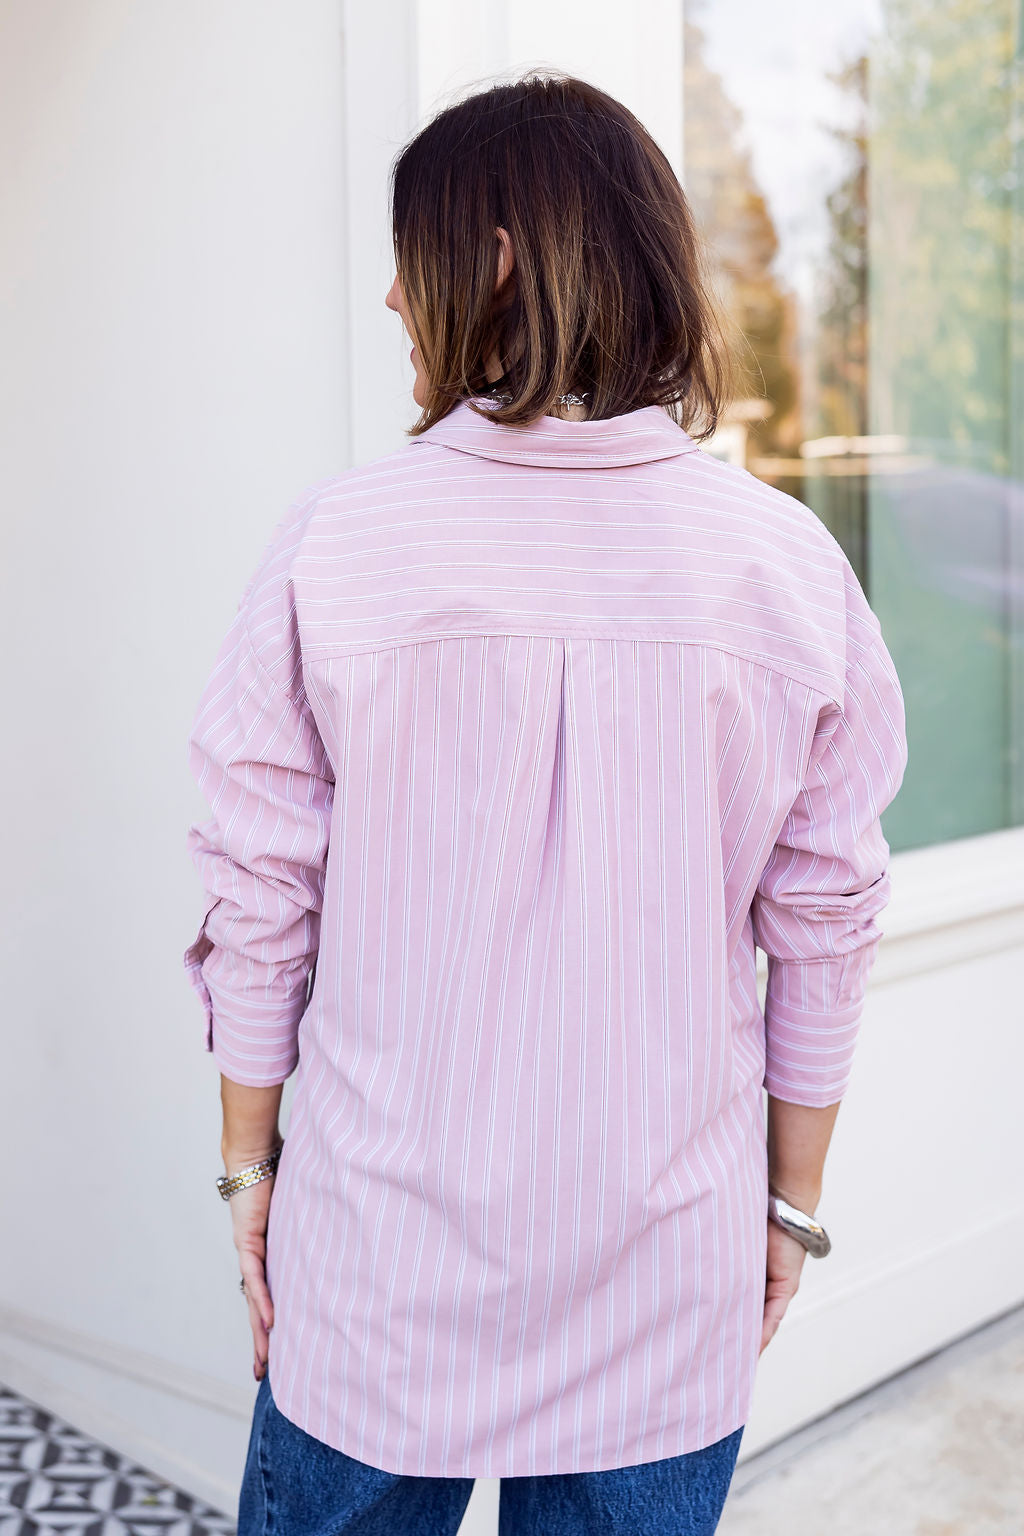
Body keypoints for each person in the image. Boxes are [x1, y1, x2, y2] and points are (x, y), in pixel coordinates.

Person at [183, 71, 908, 1536]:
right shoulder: (787, 568)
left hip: (377, 1273)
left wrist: (251, 1170)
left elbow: (260, 895)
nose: (395, 296)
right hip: (665, 1278)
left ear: (501, 259)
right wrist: (788, 1203)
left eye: (415, 254)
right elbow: (826, 923)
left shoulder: (339, 543)